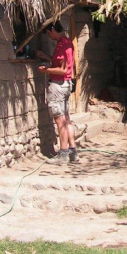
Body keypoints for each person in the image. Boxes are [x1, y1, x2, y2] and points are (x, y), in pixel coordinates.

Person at [36, 20, 79, 165]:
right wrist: (46, 57)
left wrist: (45, 70)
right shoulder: (67, 42)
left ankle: (63, 153)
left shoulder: (61, 45)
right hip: (66, 85)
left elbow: (62, 70)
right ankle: (73, 151)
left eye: (49, 33)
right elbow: (61, 64)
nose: (49, 36)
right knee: (66, 119)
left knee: (60, 120)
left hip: (58, 86)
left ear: (53, 29)